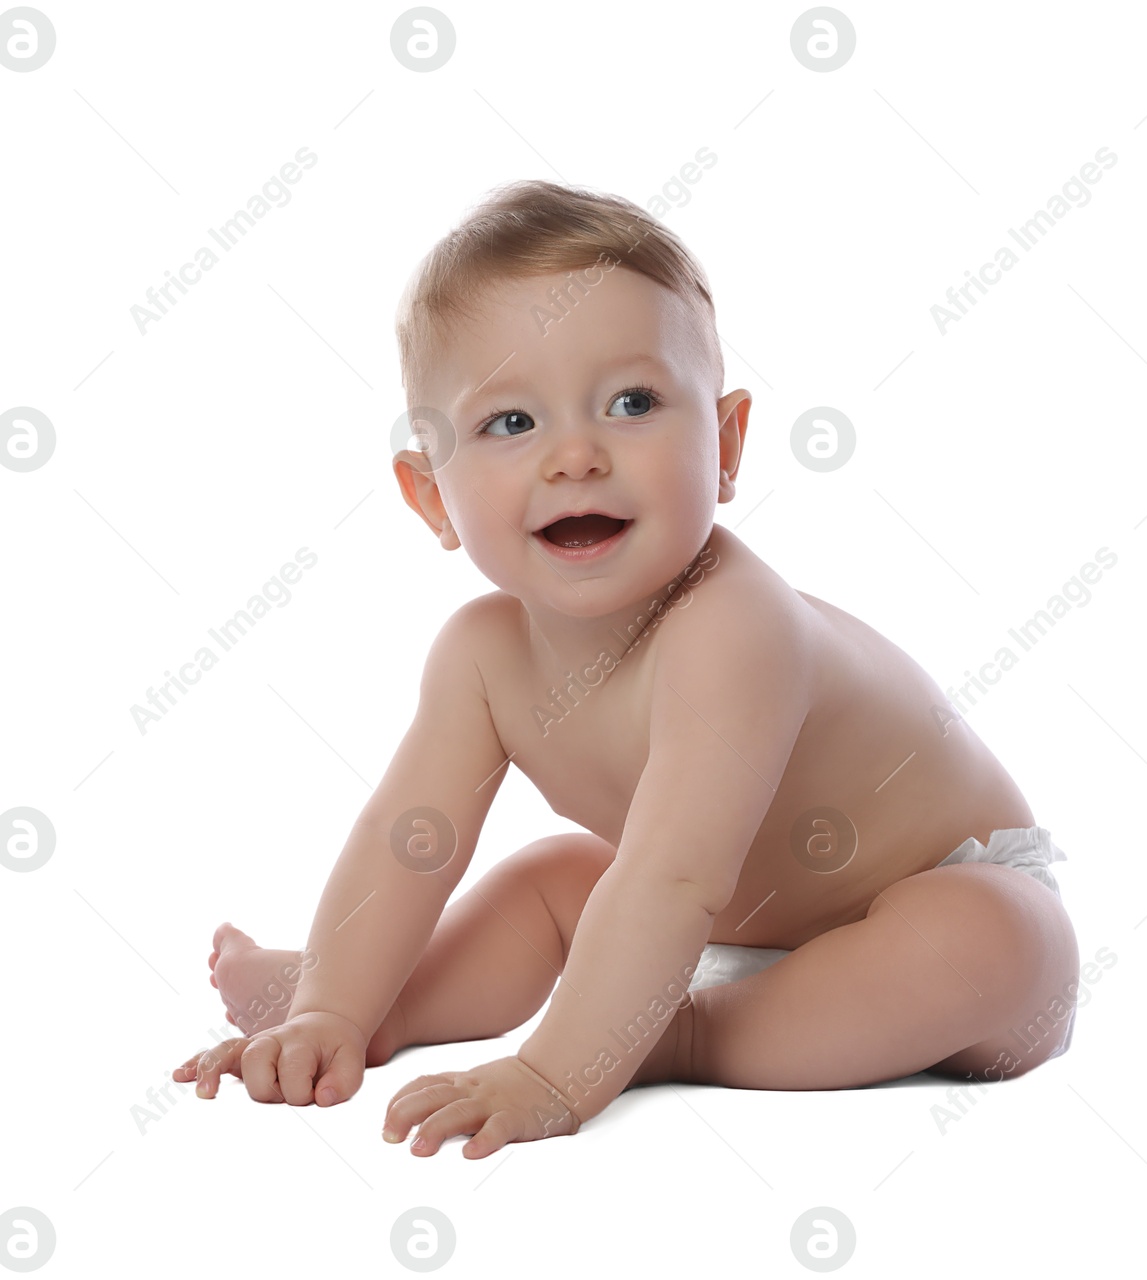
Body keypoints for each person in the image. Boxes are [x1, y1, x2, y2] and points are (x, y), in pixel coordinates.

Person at [173, 179, 1080, 1159]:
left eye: (633, 402)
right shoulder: (480, 654)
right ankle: (364, 996)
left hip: (929, 898)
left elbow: (673, 873)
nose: (575, 455)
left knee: (991, 939)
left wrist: (559, 1070)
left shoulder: (731, 626)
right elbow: (408, 839)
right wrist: (334, 1008)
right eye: (510, 423)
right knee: (557, 878)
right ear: (431, 496)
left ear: (725, 445)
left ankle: (679, 1027)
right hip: (717, 929)